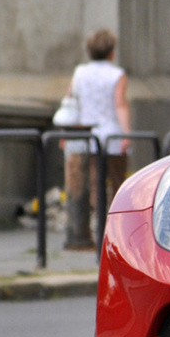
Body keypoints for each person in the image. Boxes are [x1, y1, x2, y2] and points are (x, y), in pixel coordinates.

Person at [63, 28, 131, 250]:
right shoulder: (116, 74)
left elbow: (70, 100)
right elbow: (120, 103)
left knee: (92, 184)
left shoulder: (79, 72)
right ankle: (114, 235)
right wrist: (127, 133)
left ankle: (86, 234)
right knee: (117, 185)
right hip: (111, 135)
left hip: (85, 135)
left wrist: (65, 133)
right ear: (111, 52)